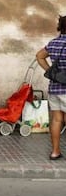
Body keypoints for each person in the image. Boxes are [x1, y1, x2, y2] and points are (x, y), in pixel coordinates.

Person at [36, 15, 66, 160]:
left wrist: (50, 72)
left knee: (56, 120)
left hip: (54, 88)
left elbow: (39, 56)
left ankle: (55, 152)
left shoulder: (53, 43)